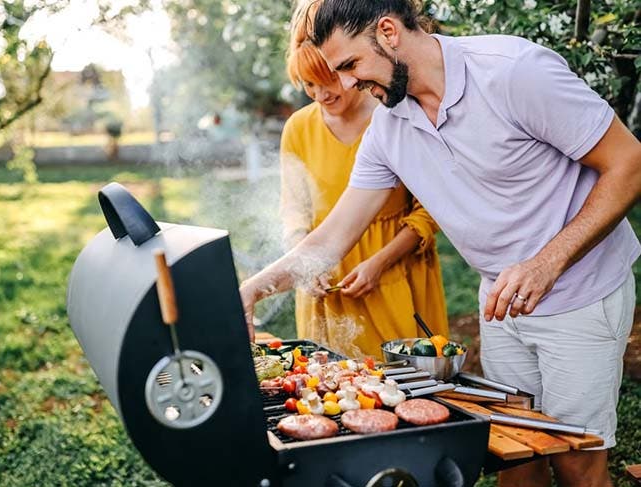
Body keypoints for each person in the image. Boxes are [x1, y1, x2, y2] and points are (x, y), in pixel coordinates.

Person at [240, 1, 641, 485]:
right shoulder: (388, 126)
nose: (345, 85)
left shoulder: (514, 72)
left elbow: (629, 163)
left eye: (349, 65)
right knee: (516, 455)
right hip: (502, 304)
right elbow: (330, 239)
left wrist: (546, 262)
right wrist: (253, 289)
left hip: (581, 293)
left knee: (576, 460)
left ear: (388, 32)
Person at [278, 1, 448, 358]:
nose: (321, 95)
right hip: (327, 281)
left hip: (395, 276)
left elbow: (429, 211)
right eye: (308, 85)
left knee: (407, 384)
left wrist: (379, 263)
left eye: (327, 82)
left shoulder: (393, 115)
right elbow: (294, 209)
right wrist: (306, 264)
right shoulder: (298, 128)